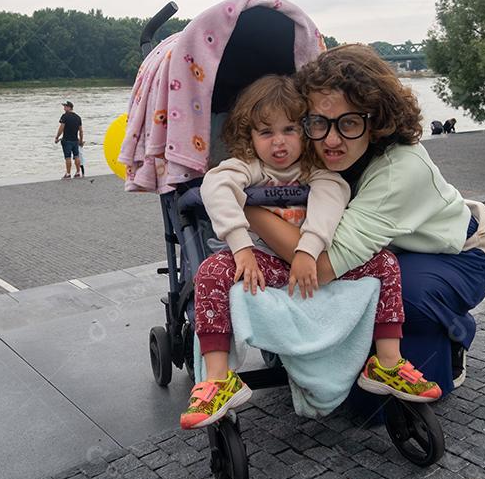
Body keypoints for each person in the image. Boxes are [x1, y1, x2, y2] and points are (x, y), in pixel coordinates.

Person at [245, 45, 485, 396]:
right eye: (319, 122)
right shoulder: (319, 148)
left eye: (349, 122)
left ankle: (452, 332)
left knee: (399, 295)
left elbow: (320, 267)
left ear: (377, 121)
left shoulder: (400, 171)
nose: (331, 140)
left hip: (459, 253)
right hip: (393, 249)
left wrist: (248, 208)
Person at [181, 75, 432, 431]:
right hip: (264, 261)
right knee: (209, 273)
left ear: (305, 131)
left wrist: (308, 250)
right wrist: (241, 247)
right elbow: (216, 184)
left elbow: (331, 198)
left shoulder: (317, 172)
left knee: (385, 262)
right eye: (266, 133)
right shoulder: (250, 168)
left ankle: (388, 362)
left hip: (312, 263)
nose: (279, 143)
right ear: (250, 137)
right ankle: (219, 378)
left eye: (289, 130)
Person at [55, 101, 84, 179]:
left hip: (66, 140)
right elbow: (81, 130)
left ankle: (68, 173)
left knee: (68, 157)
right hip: (75, 140)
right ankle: (78, 172)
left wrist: (57, 137)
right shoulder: (78, 117)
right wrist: (81, 141)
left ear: (69, 107)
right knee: (76, 156)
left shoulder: (65, 116)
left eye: (65, 106)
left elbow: (61, 128)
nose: (64, 108)